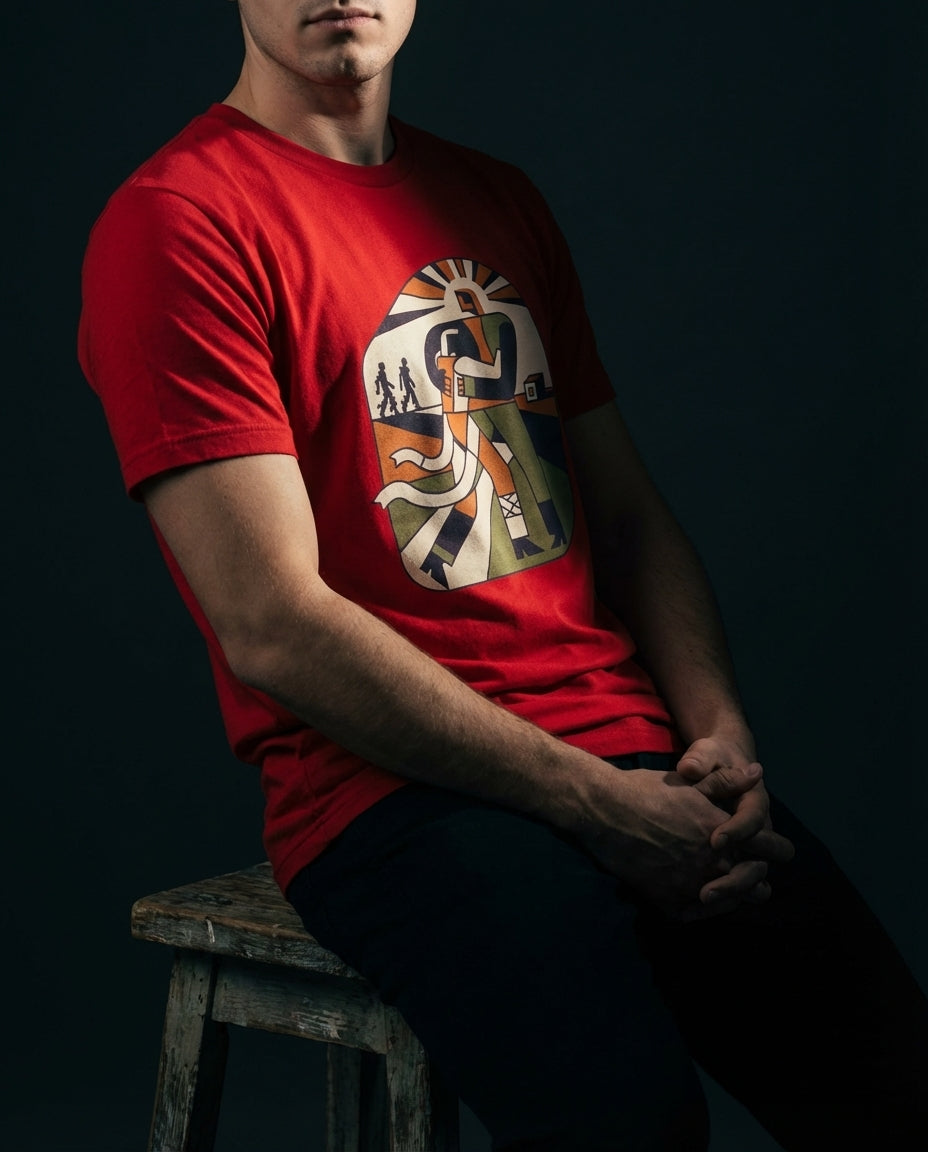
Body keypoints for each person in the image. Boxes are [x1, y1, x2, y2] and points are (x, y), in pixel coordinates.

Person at [78, 3, 927, 1148]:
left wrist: (718, 737)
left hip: (630, 751)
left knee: (898, 1090)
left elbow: (624, 517)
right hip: (392, 794)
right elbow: (272, 623)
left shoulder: (497, 199)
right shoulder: (180, 220)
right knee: (633, 1124)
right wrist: (593, 803)